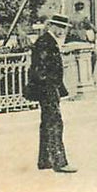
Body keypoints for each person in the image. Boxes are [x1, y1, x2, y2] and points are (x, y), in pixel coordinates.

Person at [28, 14, 76, 173]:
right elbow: (40, 69)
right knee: (55, 123)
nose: (63, 31)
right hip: (47, 89)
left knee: (47, 123)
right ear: (52, 26)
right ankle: (59, 162)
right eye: (60, 27)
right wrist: (50, 87)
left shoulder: (47, 41)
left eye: (64, 28)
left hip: (48, 89)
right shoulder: (45, 43)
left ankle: (45, 161)